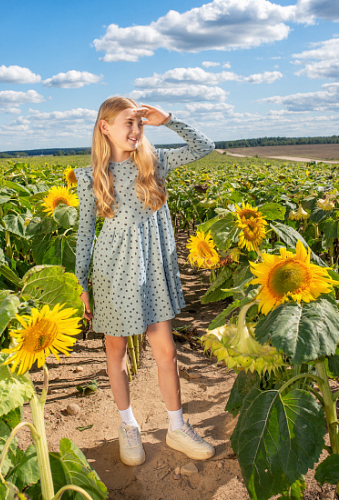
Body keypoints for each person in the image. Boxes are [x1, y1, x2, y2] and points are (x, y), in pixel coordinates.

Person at [74, 96, 215, 466]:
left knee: (165, 352)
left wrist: (167, 119)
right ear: (105, 127)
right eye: (128, 123)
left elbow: (205, 147)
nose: (136, 131)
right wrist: (81, 283)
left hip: (152, 269)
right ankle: (128, 425)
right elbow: (85, 232)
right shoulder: (90, 175)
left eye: (140, 124)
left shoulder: (156, 161)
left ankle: (177, 427)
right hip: (111, 271)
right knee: (116, 352)